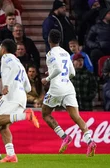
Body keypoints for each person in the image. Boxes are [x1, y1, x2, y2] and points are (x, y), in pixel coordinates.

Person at [41, 29, 96, 157]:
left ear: (49, 40)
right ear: (59, 40)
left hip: (56, 88)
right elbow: (72, 73)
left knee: (46, 114)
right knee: (76, 116)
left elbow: (58, 69)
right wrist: (59, 76)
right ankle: (90, 141)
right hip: (68, 87)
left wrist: (47, 79)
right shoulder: (66, 53)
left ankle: (64, 137)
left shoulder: (50, 53)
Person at [0, 39, 39, 163]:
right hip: (19, 95)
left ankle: (24, 115)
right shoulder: (19, 62)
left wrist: (7, 86)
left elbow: (15, 70)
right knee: (2, 126)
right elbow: (27, 87)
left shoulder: (7, 57)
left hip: (12, 94)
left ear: (3, 48)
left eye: (0, 47)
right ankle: (11, 155)